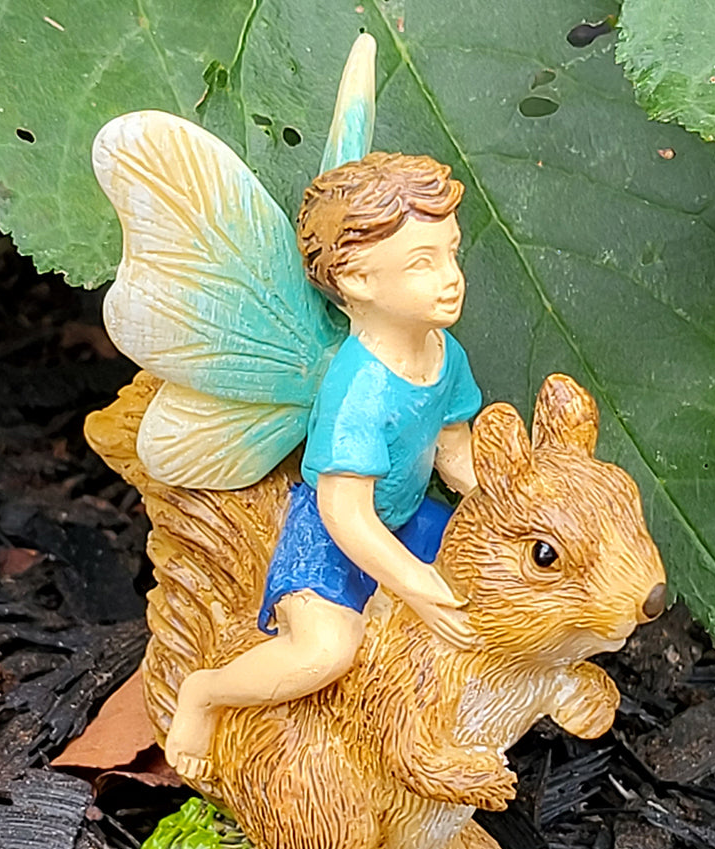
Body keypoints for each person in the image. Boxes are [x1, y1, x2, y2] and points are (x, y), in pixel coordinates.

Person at [164, 152, 483, 778]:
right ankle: (205, 695)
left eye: (452, 252)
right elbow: (348, 514)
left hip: (410, 513)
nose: (451, 277)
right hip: (333, 536)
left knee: (494, 580)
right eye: (423, 263)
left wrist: (498, 504)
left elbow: (451, 447)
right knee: (324, 653)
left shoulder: (443, 350)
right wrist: (415, 583)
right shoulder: (360, 389)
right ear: (359, 283)